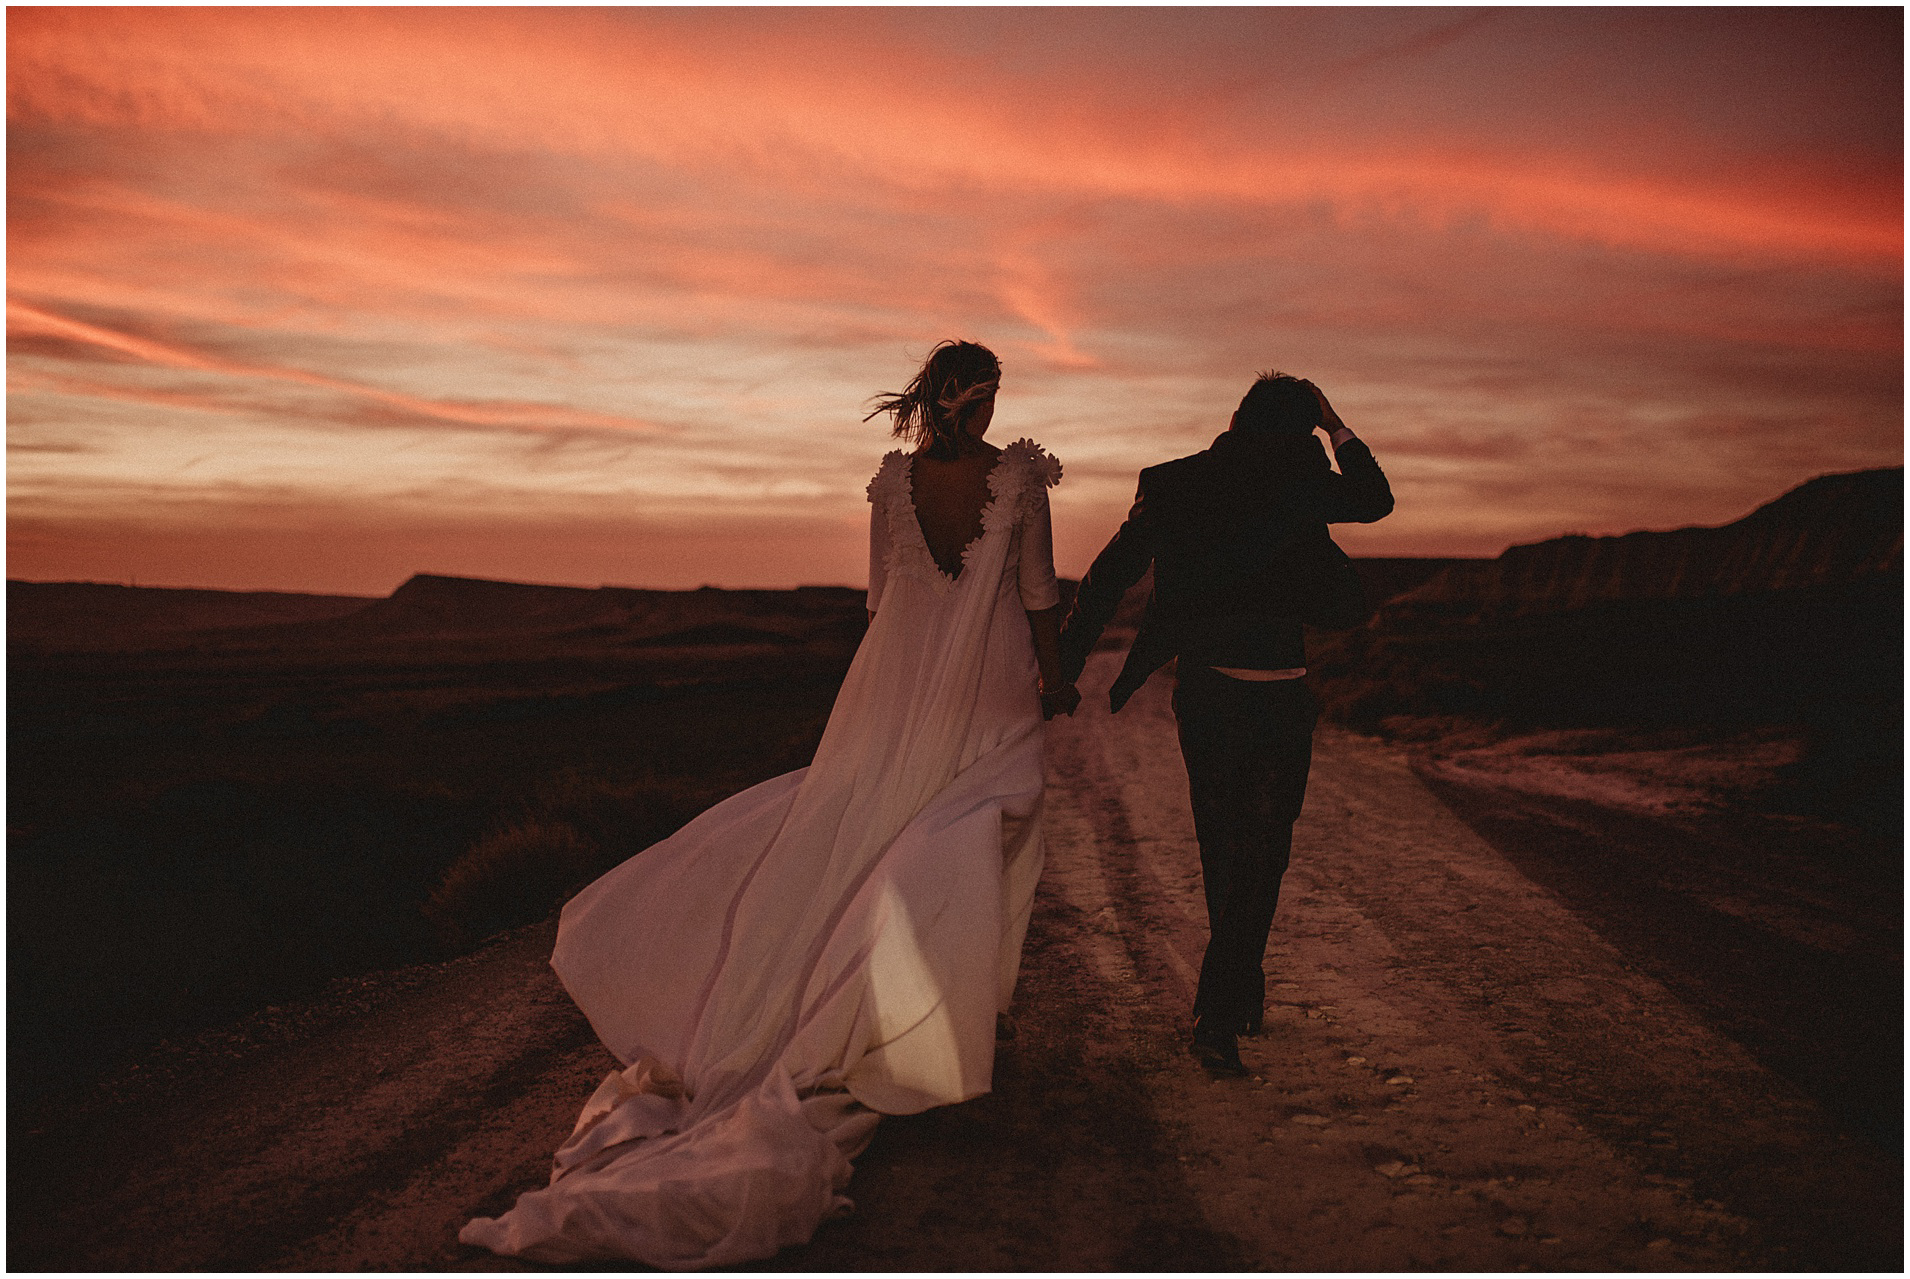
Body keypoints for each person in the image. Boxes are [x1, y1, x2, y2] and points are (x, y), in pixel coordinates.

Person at [459, 340, 1073, 1268]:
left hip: (891, 682)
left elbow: (880, 604)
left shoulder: (892, 483)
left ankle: (932, 1016)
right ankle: (941, 1018)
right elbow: (1037, 594)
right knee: (979, 831)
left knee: (874, 834)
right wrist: (1054, 678)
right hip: (985, 685)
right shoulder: (1022, 478)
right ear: (980, 401)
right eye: (989, 398)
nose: (990, 414)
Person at [1056, 372, 1392, 1076]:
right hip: (1278, 692)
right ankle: (1219, 1004)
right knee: (1263, 854)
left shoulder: (1174, 481)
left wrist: (1062, 665)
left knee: (1224, 846)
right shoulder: (1303, 483)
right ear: (1298, 430)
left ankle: (1235, 985)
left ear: (1236, 417)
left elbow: (1110, 573)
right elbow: (1375, 498)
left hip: (1208, 691)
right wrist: (1336, 425)